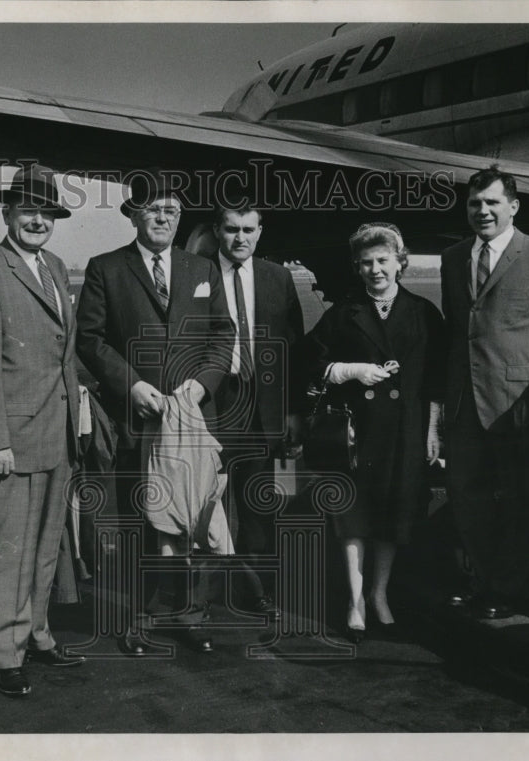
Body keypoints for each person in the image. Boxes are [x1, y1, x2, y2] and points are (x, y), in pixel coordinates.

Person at [76, 170, 233, 655]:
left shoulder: (202, 269)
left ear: (180, 217)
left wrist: (200, 387)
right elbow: (90, 338)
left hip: (191, 423)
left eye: (171, 209)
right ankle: (139, 619)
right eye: (153, 208)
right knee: (139, 521)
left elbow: (222, 337)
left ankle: (191, 614)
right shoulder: (106, 268)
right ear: (134, 215)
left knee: (194, 518)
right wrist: (132, 386)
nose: (163, 215)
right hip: (136, 421)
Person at [0, 164, 84, 698]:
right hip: (11, 440)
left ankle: (38, 634)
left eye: (46, 211)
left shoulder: (54, 266)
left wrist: (78, 413)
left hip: (57, 432)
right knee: (6, 550)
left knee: (46, 546)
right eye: (27, 209)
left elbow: (63, 355)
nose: (37, 220)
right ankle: (6, 654)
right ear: (7, 212)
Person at [440, 164, 529, 619]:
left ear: (513, 206)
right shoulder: (453, 257)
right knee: (467, 497)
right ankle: (489, 577)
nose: (482, 211)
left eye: (492, 203)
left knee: (521, 500)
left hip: (520, 404)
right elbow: (459, 332)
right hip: (466, 402)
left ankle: (504, 589)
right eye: (474, 204)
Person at [299, 223, 444, 642]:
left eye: (383, 260)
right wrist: (346, 371)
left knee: (394, 515)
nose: (375, 270)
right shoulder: (345, 312)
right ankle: (356, 599)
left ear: (401, 263)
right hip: (359, 433)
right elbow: (309, 358)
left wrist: (432, 431)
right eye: (366, 263)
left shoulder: (422, 313)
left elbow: (436, 380)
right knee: (355, 516)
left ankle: (379, 594)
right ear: (356, 268)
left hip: (406, 429)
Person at [203, 201, 304, 618]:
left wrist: (295, 411)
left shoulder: (277, 277)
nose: (240, 238)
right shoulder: (196, 271)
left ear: (260, 232)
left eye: (248, 229)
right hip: (213, 406)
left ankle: (257, 590)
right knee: (205, 505)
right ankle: (201, 593)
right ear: (217, 231)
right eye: (231, 229)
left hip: (266, 414)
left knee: (264, 505)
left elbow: (294, 349)